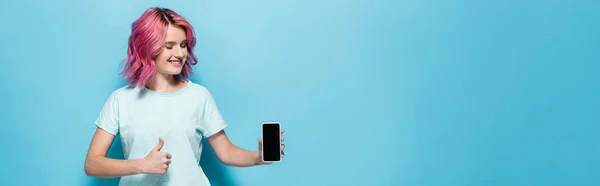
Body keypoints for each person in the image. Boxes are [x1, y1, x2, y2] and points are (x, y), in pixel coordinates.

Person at [84, 7, 285, 186]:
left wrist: (259, 157)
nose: (180, 53)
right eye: (169, 46)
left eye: (183, 45)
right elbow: (93, 164)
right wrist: (142, 165)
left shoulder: (198, 96)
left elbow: (227, 152)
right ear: (148, 47)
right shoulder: (121, 100)